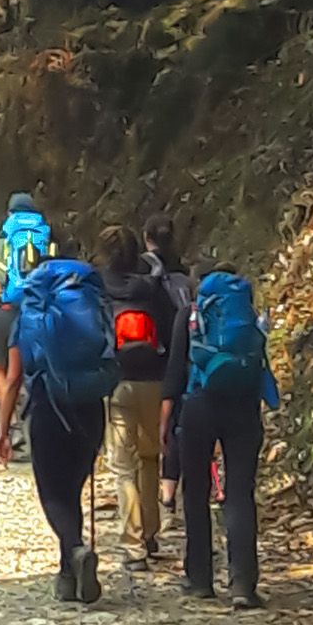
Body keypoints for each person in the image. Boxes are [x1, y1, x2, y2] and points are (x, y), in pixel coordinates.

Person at [0, 252, 113, 604]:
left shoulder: (29, 313)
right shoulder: (91, 303)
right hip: (90, 406)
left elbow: (13, 378)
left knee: (53, 494)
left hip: (47, 408)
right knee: (72, 488)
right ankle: (67, 575)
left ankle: (74, 549)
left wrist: (3, 429)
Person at [161, 266, 279, 608]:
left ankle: (199, 579)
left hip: (199, 406)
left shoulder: (191, 314)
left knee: (195, 489)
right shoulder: (250, 318)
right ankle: (242, 584)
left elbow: (175, 370)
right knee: (240, 492)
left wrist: (166, 420)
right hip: (243, 408)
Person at [101, 227, 176, 570]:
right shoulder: (153, 288)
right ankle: (150, 532)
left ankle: (133, 547)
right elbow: (172, 330)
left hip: (117, 381)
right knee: (149, 459)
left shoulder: (99, 288)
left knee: (123, 467)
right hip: (155, 379)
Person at [0, 193, 55, 455]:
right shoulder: (48, 235)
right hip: (41, 310)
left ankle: (12, 424)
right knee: (36, 368)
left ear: (9, 214)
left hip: (7, 310)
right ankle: (36, 423)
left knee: (0, 368)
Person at [142, 215, 198, 512]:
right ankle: (175, 487)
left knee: (162, 426)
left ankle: (164, 493)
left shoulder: (146, 269)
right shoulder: (184, 272)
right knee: (177, 421)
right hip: (188, 352)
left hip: (155, 353)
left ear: (146, 237)